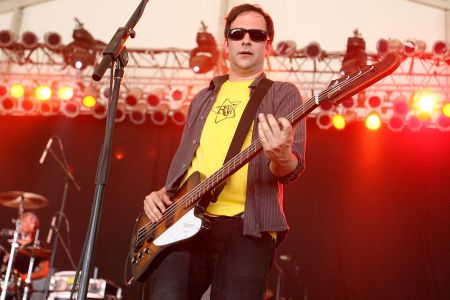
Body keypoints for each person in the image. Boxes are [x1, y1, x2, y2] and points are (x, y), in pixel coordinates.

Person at [143, 3, 306, 299]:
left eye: (256, 35)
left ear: (267, 45)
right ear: (227, 42)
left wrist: (281, 155)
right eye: (238, 33)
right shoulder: (202, 98)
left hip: (247, 227)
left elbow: (290, 168)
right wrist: (163, 194)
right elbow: (190, 163)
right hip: (183, 222)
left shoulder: (283, 94)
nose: (246, 40)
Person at [1, 212, 49, 299]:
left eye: (29, 221)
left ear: (34, 226)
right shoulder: (10, 240)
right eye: (24, 220)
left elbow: (44, 271)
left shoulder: (38, 247)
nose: (25, 223)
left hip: (18, 286)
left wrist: (24, 277)